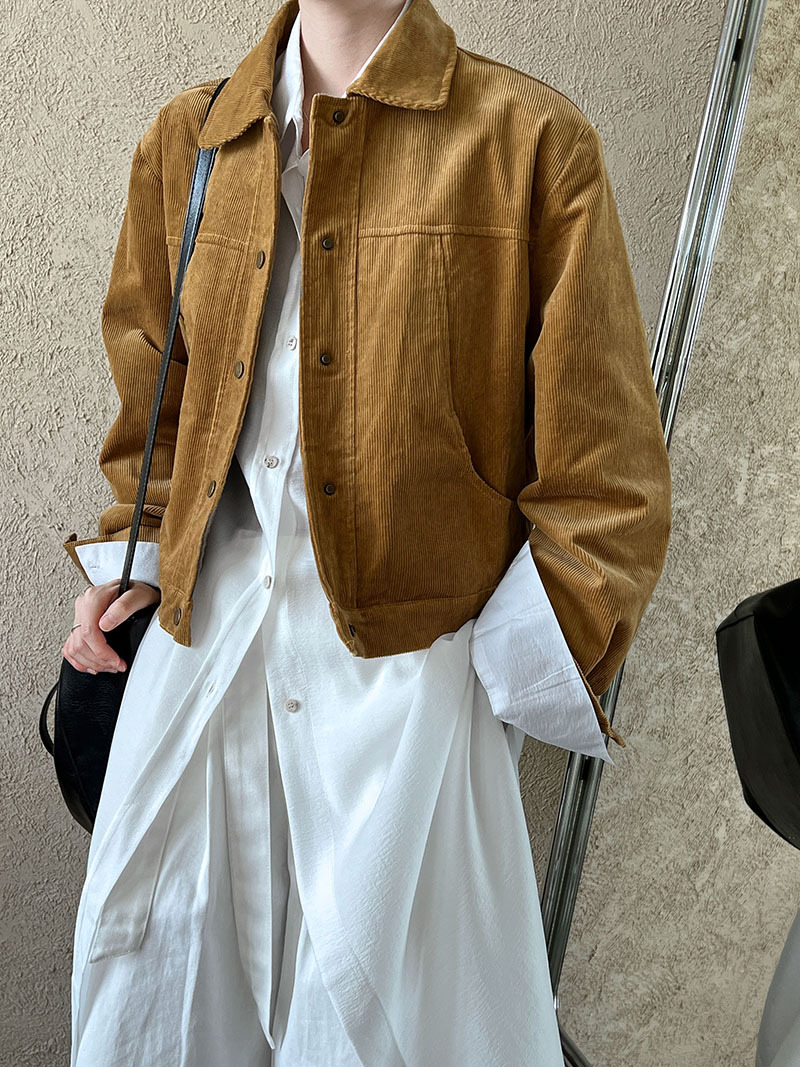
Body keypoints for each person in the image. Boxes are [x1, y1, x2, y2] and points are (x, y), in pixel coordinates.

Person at [60, 0, 672, 1062]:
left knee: (389, 1029)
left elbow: (606, 479)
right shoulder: (189, 142)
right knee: (158, 1005)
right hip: (202, 678)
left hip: (408, 707)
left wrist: (490, 676)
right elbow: (156, 402)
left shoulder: (527, 142)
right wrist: (135, 567)